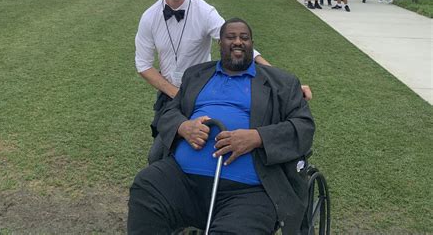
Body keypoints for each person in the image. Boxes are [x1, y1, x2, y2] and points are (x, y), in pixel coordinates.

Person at [128, 18, 315, 235]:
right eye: (230, 37)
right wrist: (183, 127)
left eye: (244, 38)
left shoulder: (282, 82)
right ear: (220, 43)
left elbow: (304, 127)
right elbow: (169, 111)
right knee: (146, 186)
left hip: (248, 192)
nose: (237, 42)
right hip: (182, 181)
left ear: (252, 44)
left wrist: (257, 137)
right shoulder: (196, 75)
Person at [135, 0, 312, 164]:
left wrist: (284, 84)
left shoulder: (204, 11)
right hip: (169, 93)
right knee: (157, 155)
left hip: (200, 92)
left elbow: (237, 44)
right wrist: (175, 93)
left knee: (208, 146)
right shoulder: (149, 17)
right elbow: (143, 65)